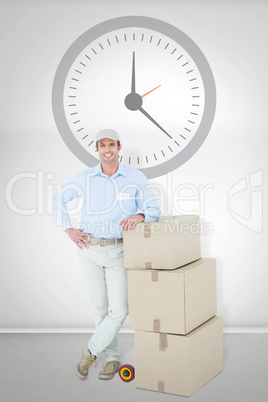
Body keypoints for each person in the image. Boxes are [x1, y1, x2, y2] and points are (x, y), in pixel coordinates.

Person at [53, 129, 161, 381]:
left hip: (120, 250)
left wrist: (140, 216)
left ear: (119, 147)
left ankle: (90, 351)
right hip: (88, 248)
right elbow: (58, 199)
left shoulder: (135, 177)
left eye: (111, 144)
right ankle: (112, 359)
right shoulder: (85, 177)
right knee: (99, 308)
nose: (107, 149)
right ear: (97, 149)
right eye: (102, 145)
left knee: (120, 310)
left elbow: (153, 208)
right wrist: (69, 229)